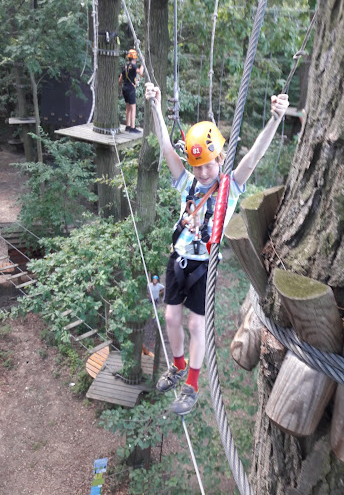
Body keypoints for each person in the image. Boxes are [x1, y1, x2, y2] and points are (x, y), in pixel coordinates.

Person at [145, 82, 289, 416]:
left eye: (209, 164)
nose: (204, 172)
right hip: (178, 259)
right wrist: (155, 107)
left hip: (203, 265)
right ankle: (178, 365)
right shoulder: (187, 183)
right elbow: (166, 146)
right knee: (171, 317)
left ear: (220, 159)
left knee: (196, 326)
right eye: (198, 166)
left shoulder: (229, 188)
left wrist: (275, 121)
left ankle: (192, 385)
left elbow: (252, 159)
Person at [119, 49, 144, 133]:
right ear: (134, 58)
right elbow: (140, 72)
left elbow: (120, 80)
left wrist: (122, 88)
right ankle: (132, 127)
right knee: (133, 108)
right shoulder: (133, 66)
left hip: (125, 89)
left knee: (128, 108)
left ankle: (127, 126)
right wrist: (143, 63)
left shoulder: (125, 67)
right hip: (131, 89)